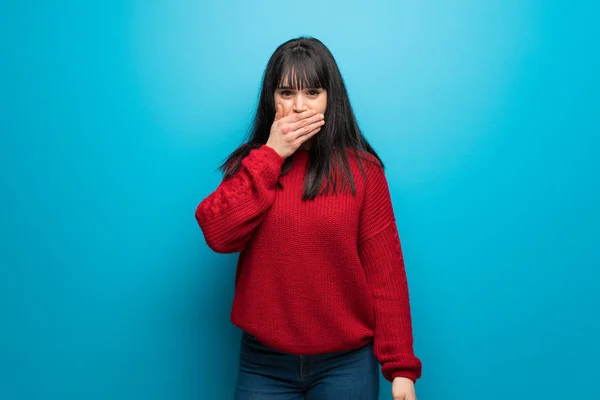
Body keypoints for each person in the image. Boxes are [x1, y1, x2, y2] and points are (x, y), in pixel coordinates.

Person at [195, 36, 422, 400]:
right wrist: (271, 155)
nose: (299, 106)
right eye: (286, 93)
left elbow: (386, 274)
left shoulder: (363, 172)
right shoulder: (252, 166)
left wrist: (400, 369)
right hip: (263, 363)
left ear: (331, 98)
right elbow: (218, 235)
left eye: (312, 92)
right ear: (271, 99)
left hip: (346, 363)